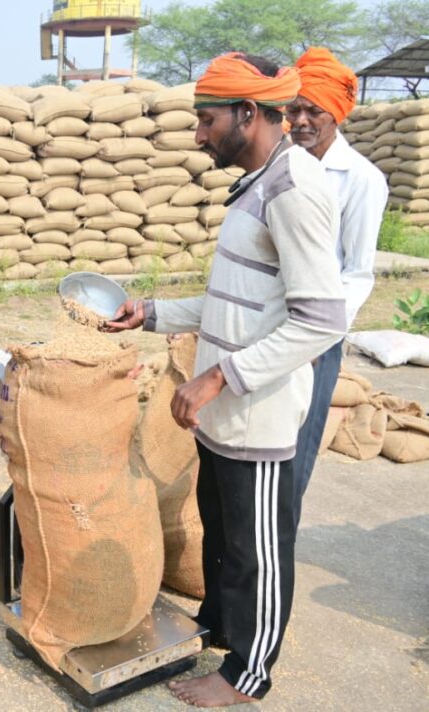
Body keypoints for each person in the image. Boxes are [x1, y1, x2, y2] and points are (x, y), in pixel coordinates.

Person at [106, 52, 345, 706]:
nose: (198, 135)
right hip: (224, 417)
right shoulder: (257, 184)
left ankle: (248, 675)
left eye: (207, 120)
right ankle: (219, 630)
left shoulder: (294, 189)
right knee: (226, 536)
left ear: (249, 113)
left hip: (258, 414)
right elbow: (235, 300)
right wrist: (151, 313)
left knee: (257, 550)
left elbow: (321, 320)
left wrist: (217, 379)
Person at [286, 47, 389, 527]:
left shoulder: (362, 180)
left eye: (313, 112)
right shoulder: (283, 164)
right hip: (270, 323)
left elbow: (356, 273)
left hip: (315, 335)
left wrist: (319, 335)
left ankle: (278, 538)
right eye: (294, 111)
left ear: (337, 113)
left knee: (297, 446)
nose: (302, 121)